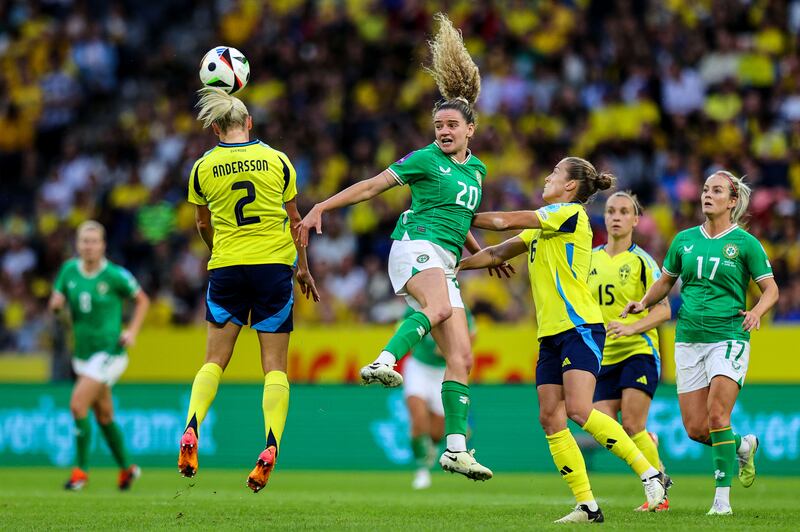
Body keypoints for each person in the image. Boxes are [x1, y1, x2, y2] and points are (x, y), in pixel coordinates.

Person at [299, 13, 510, 481]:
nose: (443, 131)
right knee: (436, 308)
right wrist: (322, 207)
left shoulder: (477, 172)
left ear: (470, 129)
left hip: (446, 258)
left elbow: (462, 217)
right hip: (414, 245)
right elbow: (373, 187)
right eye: (438, 124)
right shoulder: (424, 159)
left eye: (451, 124)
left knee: (462, 357)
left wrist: (479, 250)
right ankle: (385, 360)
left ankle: (455, 449)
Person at [460, 157, 668, 523]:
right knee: (549, 417)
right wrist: (451, 266)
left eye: (554, 173)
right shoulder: (542, 227)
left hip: (580, 327)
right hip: (550, 334)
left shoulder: (569, 214)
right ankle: (587, 505)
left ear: (570, 186)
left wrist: (459, 210)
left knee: (578, 410)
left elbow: (502, 220)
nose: (546, 176)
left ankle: (651, 475)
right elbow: (493, 254)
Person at [177, 87, 319, 493]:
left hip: (228, 267)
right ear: (250, 123)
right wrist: (303, 269)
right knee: (274, 367)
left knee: (213, 361)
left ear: (217, 126)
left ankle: (192, 427)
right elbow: (297, 225)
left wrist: (218, 251)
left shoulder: (203, 167)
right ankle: (271, 444)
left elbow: (203, 225)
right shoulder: (278, 160)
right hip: (273, 268)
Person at [622, 171, 779, 515]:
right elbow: (666, 282)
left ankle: (721, 502)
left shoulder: (746, 244)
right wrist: (644, 302)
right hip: (688, 340)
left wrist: (756, 312)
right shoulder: (684, 241)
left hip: (728, 336)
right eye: (706, 189)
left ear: (732, 200)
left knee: (719, 415)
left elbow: (771, 289)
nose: (708, 195)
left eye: (717, 190)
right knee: (696, 429)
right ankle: (743, 446)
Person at [49, 220, 150, 491]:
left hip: (110, 353)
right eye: (84, 241)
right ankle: (128, 469)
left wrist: (132, 331)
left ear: (103, 245)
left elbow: (142, 299)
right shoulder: (68, 271)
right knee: (104, 415)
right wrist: (57, 307)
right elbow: (56, 304)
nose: (89, 246)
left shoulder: (115, 275)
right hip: (81, 353)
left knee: (77, 405)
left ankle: (80, 472)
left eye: (94, 241)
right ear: (78, 245)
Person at [588, 192, 672, 511]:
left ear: (636, 220)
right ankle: (648, 449)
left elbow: (663, 311)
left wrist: (632, 327)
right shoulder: (590, 259)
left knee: (633, 424)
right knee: (601, 424)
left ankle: (659, 493)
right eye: (611, 211)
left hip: (638, 350)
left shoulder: (643, 262)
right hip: (603, 356)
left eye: (624, 212)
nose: (616, 217)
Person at [403, 305, 477, 489]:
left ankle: (435, 449)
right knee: (418, 420)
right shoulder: (414, 307)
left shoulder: (460, 309)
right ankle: (421, 470)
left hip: (442, 371)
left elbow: (472, 334)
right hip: (419, 366)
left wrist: (452, 348)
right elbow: (404, 330)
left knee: (435, 433)